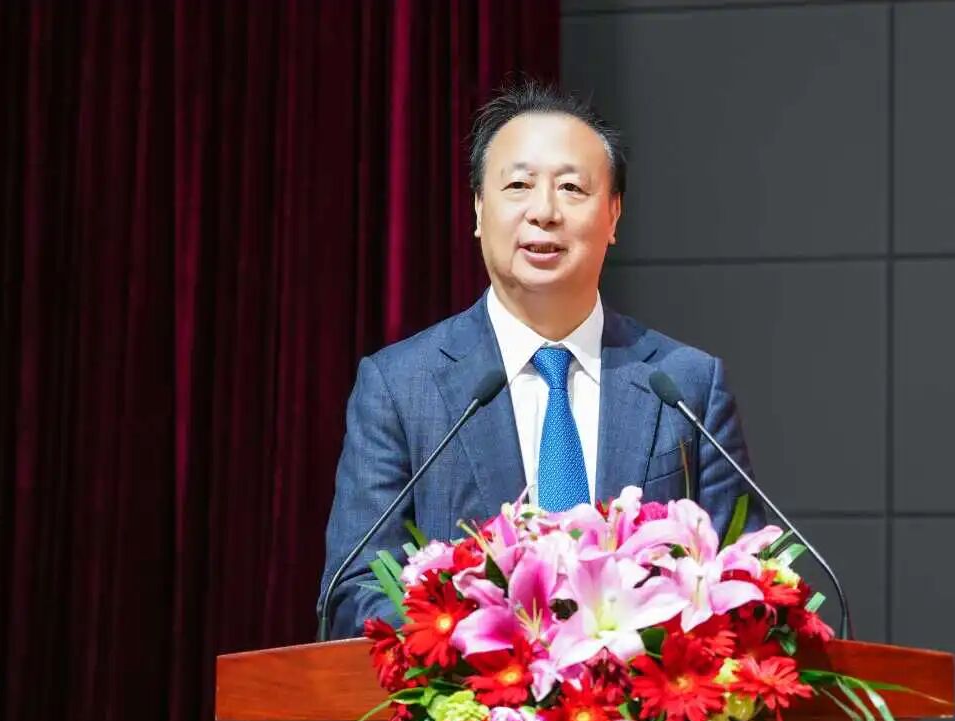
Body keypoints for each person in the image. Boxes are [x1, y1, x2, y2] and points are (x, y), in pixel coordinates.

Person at [321, 79, 765, 638]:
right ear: (478, 210)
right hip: (472, 690)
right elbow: (354, 593)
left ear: (614, 216)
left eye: (572, 188)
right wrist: (487, 647)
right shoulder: (401, 387)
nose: (545, 211)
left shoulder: (685, 384)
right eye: (518, 185)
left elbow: (743, 582)